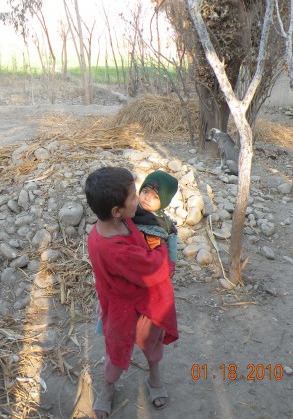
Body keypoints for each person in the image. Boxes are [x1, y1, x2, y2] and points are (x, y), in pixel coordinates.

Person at [84, 167, 178, 418]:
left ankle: (154, 378)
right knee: (116, 349)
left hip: (140, 303)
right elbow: (157, 268)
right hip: (124, 306)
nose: (140, 200)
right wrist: (165, 248)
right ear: (117, 211)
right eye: (135, 196)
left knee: (151, 341)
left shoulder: (115, 223)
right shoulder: (116, 250)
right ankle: (108, 388)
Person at [132, 170, 179, 263]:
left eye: (155, 197)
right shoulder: (130, 211)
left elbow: (172, 250)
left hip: (153, 264)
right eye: (145, 191)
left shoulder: (164, 223)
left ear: (164, 203)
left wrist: (171, 265)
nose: (147, 198)